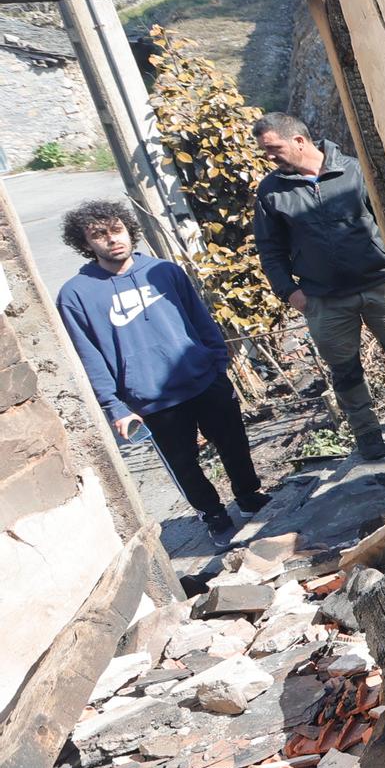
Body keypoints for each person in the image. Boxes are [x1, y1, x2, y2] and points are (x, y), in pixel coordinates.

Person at [55, 199, 270, 537]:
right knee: (183, 464)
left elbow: (201, 319)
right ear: (85, 244)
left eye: (117, 230)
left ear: (129, 230)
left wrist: (217, 363)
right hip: (150, 398)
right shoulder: (75, 295)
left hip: (203, 379)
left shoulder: (164, 272)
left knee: (234, 443)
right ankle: (213, 517)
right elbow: (89, 356)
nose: (112, 239)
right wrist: (115, 407)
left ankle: (249, 496)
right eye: (99, 235)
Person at [250, 113, 385, 461]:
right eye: (265, 151)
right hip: (324, 297)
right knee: (345, 369)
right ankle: (366, 431)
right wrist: (289, 292)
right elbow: (269, 249)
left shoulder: (353, 170)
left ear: (299, 141)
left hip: (380, 284)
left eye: (273, 148)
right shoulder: (272, 192)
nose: (269, 157)